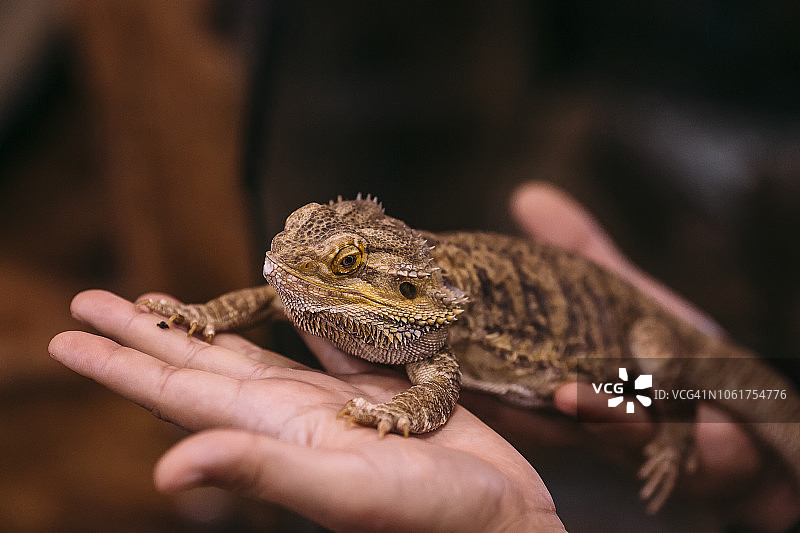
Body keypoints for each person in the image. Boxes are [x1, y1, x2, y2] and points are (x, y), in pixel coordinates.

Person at [49, 183, 799, 531]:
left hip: (647, 355)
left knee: (658, 384)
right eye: (295, 233)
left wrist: (677, 431)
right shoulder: (361, 296)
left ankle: (675, 423)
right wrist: (204, 316)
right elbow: (272, 291)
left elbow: (433, 392)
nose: (282, 259)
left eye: (342, 263)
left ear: (404, 287)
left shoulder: (429, 340)